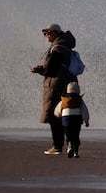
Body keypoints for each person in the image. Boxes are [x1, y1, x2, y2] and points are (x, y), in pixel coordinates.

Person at [31, 23, 77, 155]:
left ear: (56, 33)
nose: (46, 35)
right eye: (45, 33)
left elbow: (51, 69)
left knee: (54, 116)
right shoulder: (65, 45)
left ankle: (57, 146)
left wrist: (39, 70)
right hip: (68, 84)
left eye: (48, 33)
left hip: (56, 86)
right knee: (68, 115)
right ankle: (71, 145)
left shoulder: (57, 48)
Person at [54, 81, 90, 158]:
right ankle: (76, 152)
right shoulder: (79, 99)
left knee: (68, 135)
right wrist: (86, 120)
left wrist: (58, 116)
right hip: (77, 119)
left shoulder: (64, 99)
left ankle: (69, 146)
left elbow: (57, 110)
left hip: (66, 119)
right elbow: (84, 110)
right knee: (76, 135)